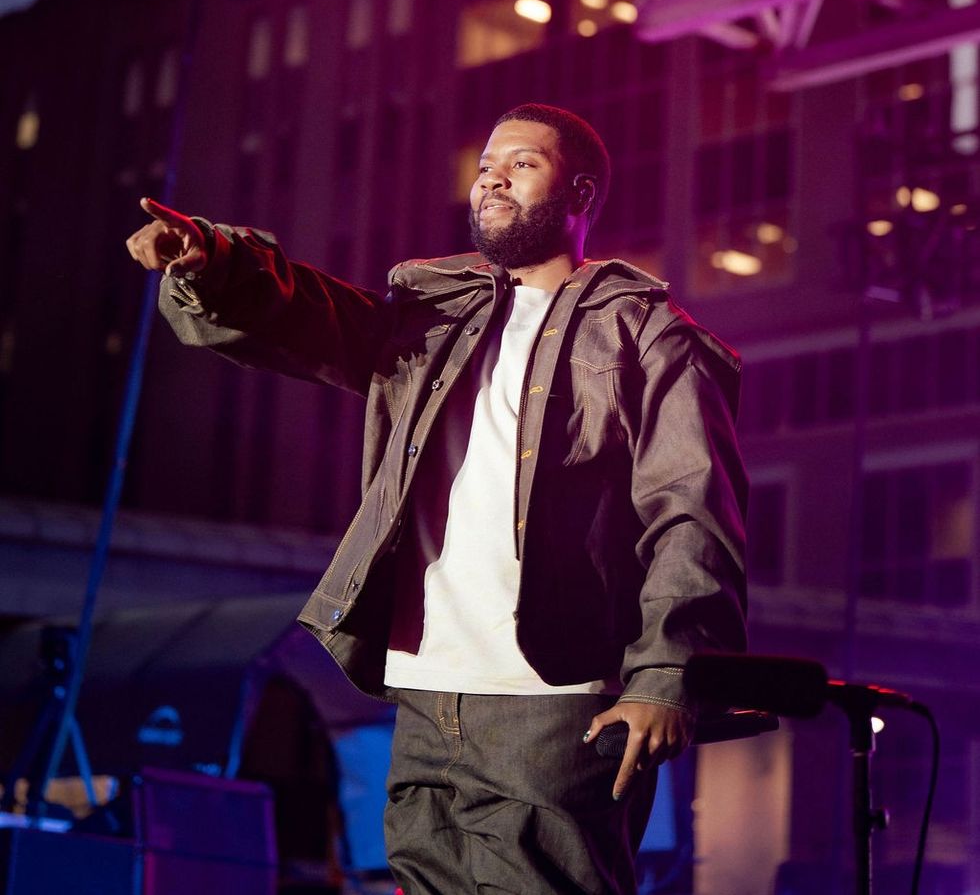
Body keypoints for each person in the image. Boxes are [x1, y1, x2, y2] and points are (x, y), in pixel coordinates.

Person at [127, 102, 747, 895]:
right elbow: (307, 314)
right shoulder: (430, 320)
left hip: (554, 706)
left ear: (580, 194)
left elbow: (691, 512)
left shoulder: (645, 337)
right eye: (487, 162)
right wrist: (210, 261)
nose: (492, 175)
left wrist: (664, 676)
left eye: (521, 163)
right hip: (427, 690)